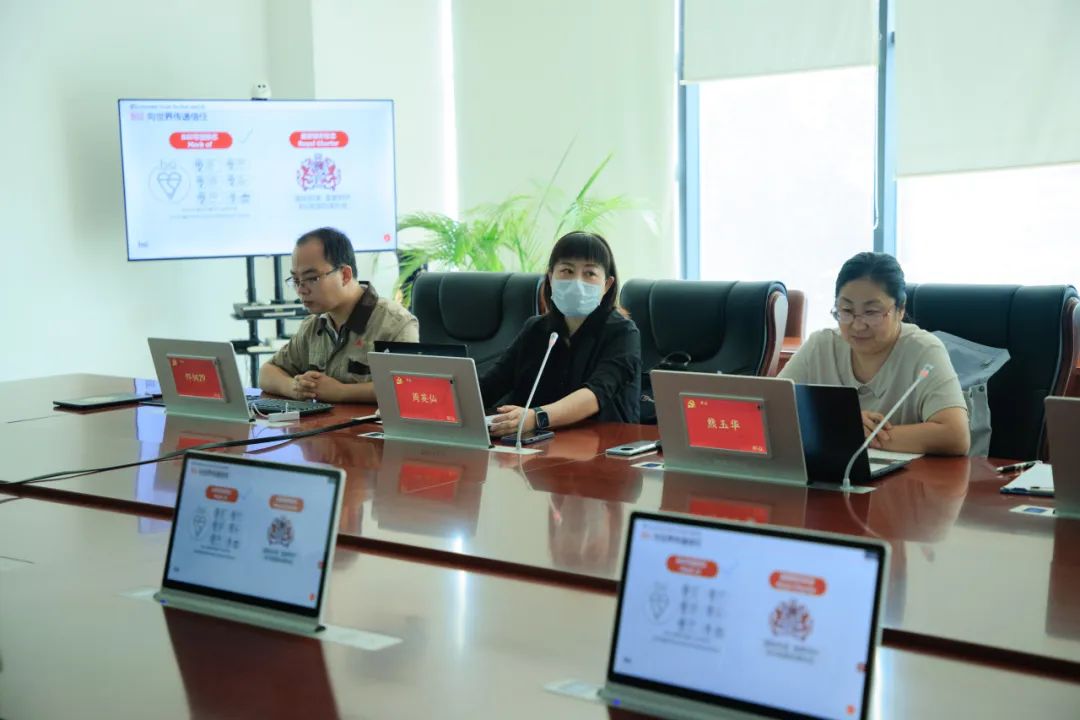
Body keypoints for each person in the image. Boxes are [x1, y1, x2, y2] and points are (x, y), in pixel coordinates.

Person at [779, 252, 970, 455]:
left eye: (871, 312)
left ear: (900, 309)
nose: (858, 325)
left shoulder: (924, 350)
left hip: (909, 474)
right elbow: (769, 409)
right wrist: (841, 426)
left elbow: (955, 435)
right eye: (846, 310)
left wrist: (855, 435)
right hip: (832, 470)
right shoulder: (820, 346)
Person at [481, 231, 641, 437]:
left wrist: (536, 417)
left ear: (607, 285)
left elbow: (595, 394)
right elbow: (490, 385)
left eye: (589, 273)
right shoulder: (536, 329)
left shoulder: (623, 333)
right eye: (567, 270)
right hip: (535, 447)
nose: (577, 282)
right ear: (551, 277)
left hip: (603, 446)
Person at [260, 227, 418, 403]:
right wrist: (294, 387)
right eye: (296, 280)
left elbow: (410, 387)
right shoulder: (313, 325)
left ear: (345, 275)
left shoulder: (395, 324)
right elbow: (267, 372)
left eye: (312, 278)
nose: (301, 290)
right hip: (324, 421)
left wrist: (343, 392)